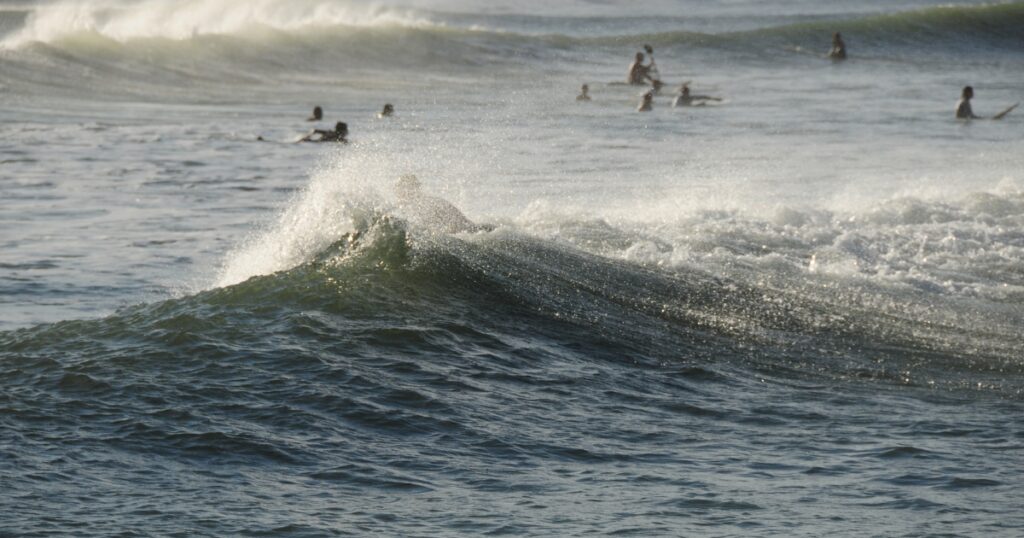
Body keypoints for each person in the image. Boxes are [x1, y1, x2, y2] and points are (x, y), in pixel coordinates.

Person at [394, 175, 488, 233]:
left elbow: (456, 222)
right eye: (397, 188)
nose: (398, 192)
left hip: (466, 229)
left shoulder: (423, 205)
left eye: (400, 188)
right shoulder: (427, 201)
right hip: (469, 228)